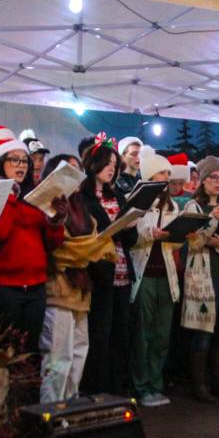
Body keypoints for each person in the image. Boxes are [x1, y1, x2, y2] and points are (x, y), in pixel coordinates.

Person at [0, 126, 66, 358]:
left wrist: (56, 220)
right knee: (2, 352)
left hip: (35, 286)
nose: (22, 165)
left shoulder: (34, 197)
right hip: (3, 286)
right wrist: (9, 196)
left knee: (31, 351)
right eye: (14, 160)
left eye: (25, 161)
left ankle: (28, 395)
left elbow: (52, 243)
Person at [39, 148, 118, 402]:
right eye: (69, 172)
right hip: (58, 290)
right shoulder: (48, 207)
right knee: (58, 358)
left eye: (77, 172)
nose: (76, 178)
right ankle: (50, 415)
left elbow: (95, 241)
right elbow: (64, 251)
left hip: (81, 291)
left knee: (79, 352)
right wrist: (94, 249)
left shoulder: (80, 206)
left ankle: (71, 409)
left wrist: (92, 247)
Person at [80, 139, 138, 396]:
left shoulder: (118, 195)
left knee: (120, 336)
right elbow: (86, 233)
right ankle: (96, 390)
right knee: (99, 336)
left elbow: (132, 241)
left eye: (115, 165)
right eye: (107, 163)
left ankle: (116, 388)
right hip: (100, 274)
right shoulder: (82, 196)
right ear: (93, 164)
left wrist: (129, 227)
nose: (111, 169)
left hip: (123, 273)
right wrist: (112, 227)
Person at [181, 156, 219, 402]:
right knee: (204, 330)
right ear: (202, 181)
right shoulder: (193, 208)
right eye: (213, 177)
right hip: (203, 275)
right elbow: (193, 241)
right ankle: (199, 385)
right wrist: (213, 219)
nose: (218, 182)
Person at [129, 148, 180, 408]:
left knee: (161, 335)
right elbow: (129, 236)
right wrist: (151, 233)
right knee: (143, 334)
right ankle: (141, 386)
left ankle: (156, 383)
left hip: (167, 276)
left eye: (168, 173)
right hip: (144, 274)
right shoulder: (136, 201)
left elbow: (177, 241)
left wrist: (181, 233)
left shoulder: (173, 205)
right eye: (162, 172)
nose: (166, 177)